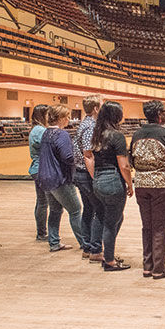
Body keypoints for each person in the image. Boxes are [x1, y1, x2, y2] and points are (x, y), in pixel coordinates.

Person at [130, 100, 165, 279]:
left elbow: (131, 158)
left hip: (141, 184)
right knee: (161, 227)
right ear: (160, 115)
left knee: (147, 226)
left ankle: (148, 266)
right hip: (164, 184)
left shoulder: (137, 134)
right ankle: (159, 268)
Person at [90, 101, 133, 271]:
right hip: (113, 181)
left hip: (98, 180)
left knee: (104, 218)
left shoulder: (97, 134)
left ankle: (103, 251)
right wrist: (130, 184)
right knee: (111, 222)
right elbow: (124, 165)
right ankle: (109, 260)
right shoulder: (117, 136)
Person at [37, 104, 84, 252]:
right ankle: (86, 244)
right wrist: (82, 158)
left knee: (55, 210)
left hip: (45, 178)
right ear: (61, 118)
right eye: (67, 117)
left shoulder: (46, 133)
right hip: (59, 179)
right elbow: (68, 157)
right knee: (75, 210)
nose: (69, 119)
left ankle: (54, 242)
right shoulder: (61, 134)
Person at [72, 94, 104, 262]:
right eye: (102, 105)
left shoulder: (85, 123)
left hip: (80, 173)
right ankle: (94, 248)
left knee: (89, 210)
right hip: (86, 174)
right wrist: (95, 177)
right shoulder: (91, 126)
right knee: (100, 210)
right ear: (96, 108)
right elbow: (88, 154)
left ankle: (87, 247)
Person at [28, 104, 49, 242]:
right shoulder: (39, 130)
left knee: (42, 202)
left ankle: (42, 232)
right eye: (48, 114)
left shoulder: (37, 129)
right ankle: (42, 233)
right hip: (41, 169)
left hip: (39, 168)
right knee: (43, 203)